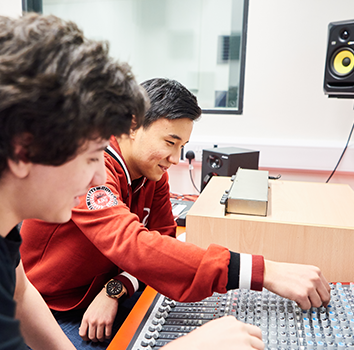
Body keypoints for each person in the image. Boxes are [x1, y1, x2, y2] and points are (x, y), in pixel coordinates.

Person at [20, 77, 331, 349]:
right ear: (132, 124)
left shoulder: (154, 174)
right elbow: (134, 244)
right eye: (170, 142)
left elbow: (162, 238)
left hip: (101, 295)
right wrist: (265, 273)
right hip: (53, 313)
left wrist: (115, 289)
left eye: (182, 145)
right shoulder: (90, 170)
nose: (176, 158)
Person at [0, 12, 147, 350]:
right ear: (25, 150)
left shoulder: (5, 226)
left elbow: (20, 292)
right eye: (93, 157)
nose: (99, 176)